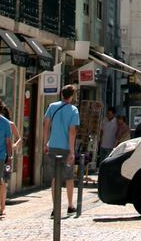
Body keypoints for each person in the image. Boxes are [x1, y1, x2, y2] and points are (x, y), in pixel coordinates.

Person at [43, 84, 80, 216]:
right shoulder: (74, 110)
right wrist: (71, 151)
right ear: (71, 96)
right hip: (65, 148)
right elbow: (72, 131)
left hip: (52, 146)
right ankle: (70, 205)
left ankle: (55, 207)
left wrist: (45, 144)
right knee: (69, 176)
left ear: (61, 95)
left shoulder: (52, 107)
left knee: (55, 176)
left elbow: (46, 126)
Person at [0, 105, 21, 217]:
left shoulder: (10, 125)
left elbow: (19, 137)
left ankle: (2, 207)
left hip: (7, 156)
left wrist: (15, 145)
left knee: (3, 181)